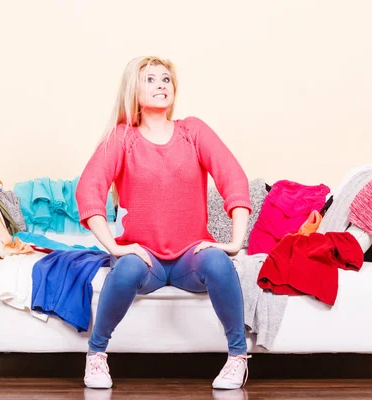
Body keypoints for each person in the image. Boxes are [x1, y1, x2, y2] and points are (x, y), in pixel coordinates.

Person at [75, 56, 253, 390]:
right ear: (134, 89)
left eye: (166, 79)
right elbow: (88, 190)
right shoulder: (122, 138)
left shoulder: (193, 131)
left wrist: (234, 241)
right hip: (145, 259)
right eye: (151, 79)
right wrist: (114, 246)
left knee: (218, 261)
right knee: (125, 268)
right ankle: (96, 354)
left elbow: (233, 178)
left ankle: (237, 358)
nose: (161, 85)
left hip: (190, 256)